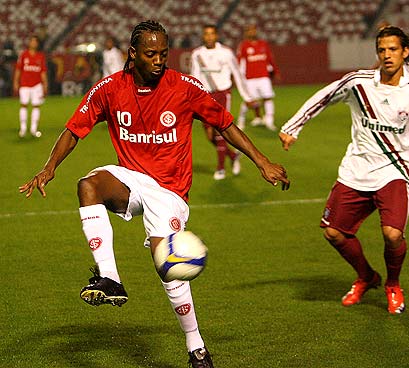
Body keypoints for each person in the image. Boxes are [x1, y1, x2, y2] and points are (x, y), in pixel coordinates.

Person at [19, 20, 289, 367]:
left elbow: (225, 123)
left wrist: (262, 161)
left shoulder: (185, 87)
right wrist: (49, 166)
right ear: (133, 54)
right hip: (131, 179)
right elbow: (74, 129)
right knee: (88, 185)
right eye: (150, 54)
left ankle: (196, 346)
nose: (159, 60)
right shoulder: (109, 88)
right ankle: (110, 279)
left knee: (167, 267)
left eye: (163, 53)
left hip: (170, 192)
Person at [279, 26, 409, 315]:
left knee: (393, 234)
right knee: (334, 233)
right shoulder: (359, 82)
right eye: (382, 50)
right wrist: (293, 127)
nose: (387, 55)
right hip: (356, 170)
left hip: (395, 171)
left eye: (393, 49)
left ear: (405, 52)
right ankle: (367, 276)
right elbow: (325, 96)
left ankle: (393, 285)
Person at [191, 24, 254, 180]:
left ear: (216, 35)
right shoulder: (197, 54)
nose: (209, 36)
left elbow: (237, 74)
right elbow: (194, 76)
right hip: (204, 96)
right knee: (209, 135)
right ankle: (233, 156)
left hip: (222, 94)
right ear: (203, 36)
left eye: (212, 33)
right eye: (206, 34)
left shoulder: (226, 53)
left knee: (219, 131)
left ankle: (220, 169)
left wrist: (247, 96)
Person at [236, 24, 280, 131]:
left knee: (268, 97)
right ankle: (241, 120)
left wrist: (276, 71)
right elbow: (238, 61)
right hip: (250, 78)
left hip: (263, 76)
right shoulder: (244, 46)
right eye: (249, 30)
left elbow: (270, 58)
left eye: (254, 30)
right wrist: (238, 76)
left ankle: (269, 121)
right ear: (246, 33)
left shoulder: (263, 44)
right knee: (249, 100)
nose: (252, 32)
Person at [13, 35, 48, 138]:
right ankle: (23, 129)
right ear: (29, 43)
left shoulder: (40, 56)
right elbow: (18, 69)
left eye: (35, 41)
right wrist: (15, 82)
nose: (33, 43)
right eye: (31, 41)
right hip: (25, 84)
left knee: (36, 106)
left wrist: (45, 83)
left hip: (37, 85)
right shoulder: (23, 55)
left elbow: (42, 71)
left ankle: (34, 129)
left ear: (37, 44)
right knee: (23, 105)